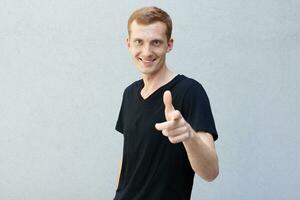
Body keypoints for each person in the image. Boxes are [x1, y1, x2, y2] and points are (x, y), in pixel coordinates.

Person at [114, 6, 219, 200]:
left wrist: (189, 136)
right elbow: (129, 156)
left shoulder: (190, 91)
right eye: (139, 42)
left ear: (169, 45)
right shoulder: (129, 94)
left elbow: (211, 172)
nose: (146, 52)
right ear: (128, 43)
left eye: (156, 42)